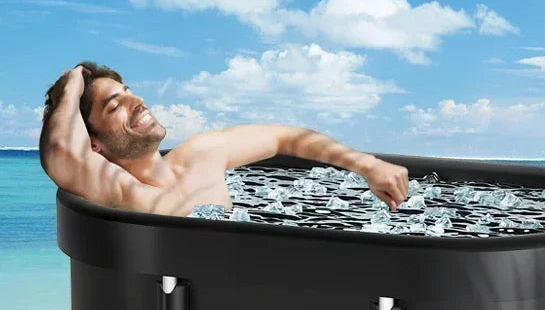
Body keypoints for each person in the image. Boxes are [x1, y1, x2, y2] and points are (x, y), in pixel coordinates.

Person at [38, 62, 409, 216]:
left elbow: (287, 138)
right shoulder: (120, 191)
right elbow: (59, 150)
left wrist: (368, 165)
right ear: (94, 145)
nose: (138, 101)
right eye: (116, 104)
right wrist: (72, 84)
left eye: (130, 91)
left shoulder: (200, 155)